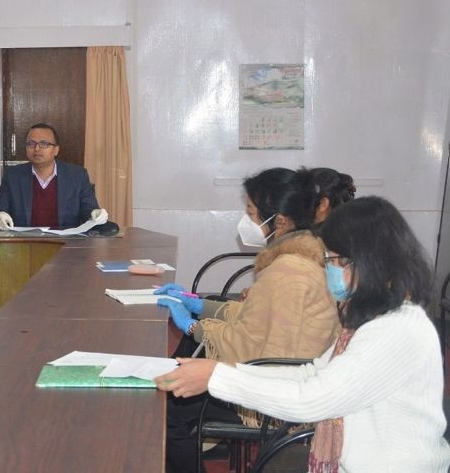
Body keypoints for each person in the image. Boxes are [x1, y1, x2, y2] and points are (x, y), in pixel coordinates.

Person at [156, 196, 450, 472]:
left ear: (368, 263)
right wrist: (218, 372)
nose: (328, 270)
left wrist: (217, 377)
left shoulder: (396, 329)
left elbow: (313, 398)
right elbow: (312, 373)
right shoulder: (374, 316)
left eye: (335, 261)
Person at [155, 167, 341, 472]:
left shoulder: (288, 271)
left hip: (280, 401)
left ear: (278, 221)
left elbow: (253, 347)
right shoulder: (301, 255)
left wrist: (192, 325)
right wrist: (199, 306)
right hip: (289, 377)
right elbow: (252, 316)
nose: (246, 222)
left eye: (251, 213)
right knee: (182, 373)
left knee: (167, 410)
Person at [0, 123, 107, 230]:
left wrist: (96, 213)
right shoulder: (13, 176)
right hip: (24, 245)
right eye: (31, 144)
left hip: (67, 245)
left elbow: (89, 211)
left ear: (56, 150)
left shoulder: (77, 176)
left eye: (44, 144)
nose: (36, 149)